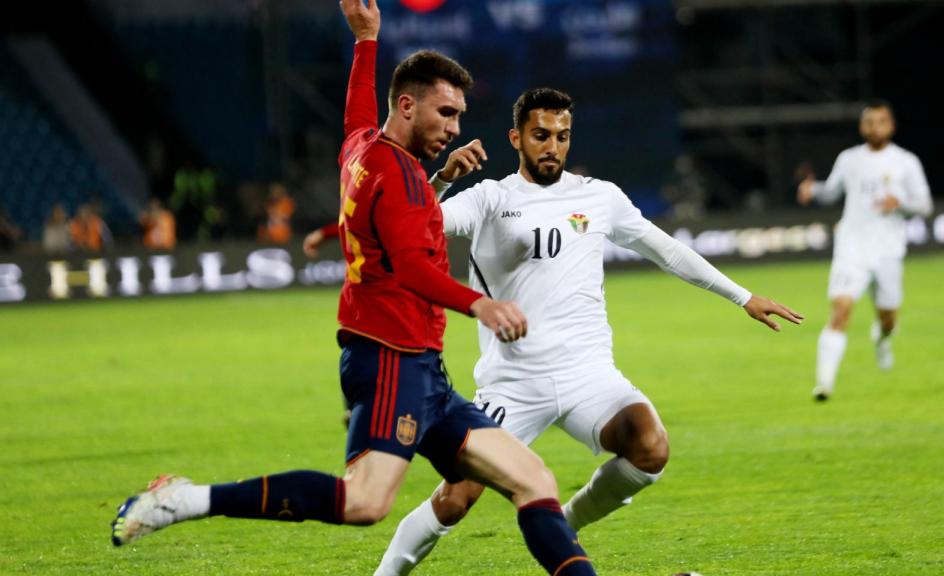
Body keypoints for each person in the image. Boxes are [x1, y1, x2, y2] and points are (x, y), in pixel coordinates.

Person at [110, 3, 597, 575]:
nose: (455, 127)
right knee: (364, 501)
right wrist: (481, 304)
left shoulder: (364, 148)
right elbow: (413, 268)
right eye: (445, 112)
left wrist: (366, 40)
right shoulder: (404, 179)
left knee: (533, 478)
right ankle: (186, 499)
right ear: (408, 105)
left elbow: (356, 113)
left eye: (459, 115)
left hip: (416, 366)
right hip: (392, 358)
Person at [363, 87, 803, 575]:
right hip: (513, 383)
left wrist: (743, 297)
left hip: (587, 375)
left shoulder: (599, 197)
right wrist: (442, 179)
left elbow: (667, 251)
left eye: (562, 136)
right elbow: (411, 226)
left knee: (649, 447)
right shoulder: (490, 198)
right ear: (516, 138)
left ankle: (565, 527)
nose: (552, 146)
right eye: (540, 135)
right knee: (456, 496)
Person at [797, 100, 932, 401]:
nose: (874, 127)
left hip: (888, 250)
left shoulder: (906, 162)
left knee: (888, 318)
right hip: (851, 248)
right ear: (862, 126)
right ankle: (824, 385)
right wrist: (813, 190)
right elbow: (832, 191)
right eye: (869, 122)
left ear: (891, 126)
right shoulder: (849, 159)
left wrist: (902, 204)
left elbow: (925, 205)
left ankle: (882, 338)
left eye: (880, 121)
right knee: (841, 309)